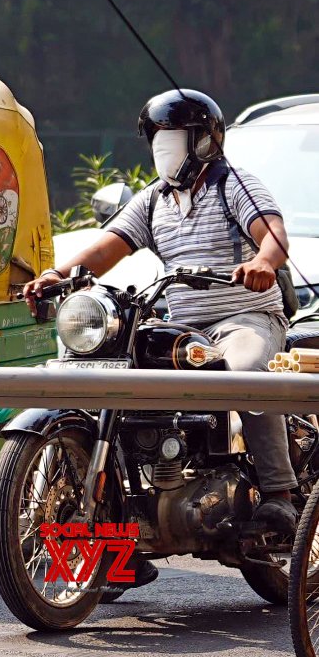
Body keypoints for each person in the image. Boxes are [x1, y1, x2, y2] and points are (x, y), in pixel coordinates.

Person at [25, 89, 298, 581]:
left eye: (174, 138)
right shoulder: (154, 199)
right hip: (185, 327)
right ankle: (128, 525)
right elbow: (107, 249)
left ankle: (279, 493)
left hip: (244, 319)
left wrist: (261, 262)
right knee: (119, 378)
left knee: (244, 376)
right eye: (158, 138)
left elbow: (272, 233)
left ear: (203, 142)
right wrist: (58, 275)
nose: (163, 148)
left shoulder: (232, 184)